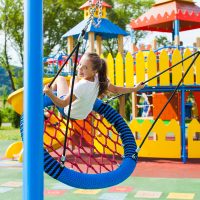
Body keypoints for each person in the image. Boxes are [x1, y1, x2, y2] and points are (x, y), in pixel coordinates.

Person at [43, 52, 145, 120]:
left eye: (85, 68)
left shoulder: (81, 86)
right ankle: (48, 110)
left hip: (67, 112)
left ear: (94, 70)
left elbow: (63, 103)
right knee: (75, 80)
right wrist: (135, 88)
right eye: (80, 65)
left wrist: (50, 93)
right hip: (82, 115)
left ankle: (45, 110)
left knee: (60, 78)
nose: (80, 69)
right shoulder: (99, 78)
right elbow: (116, 89)